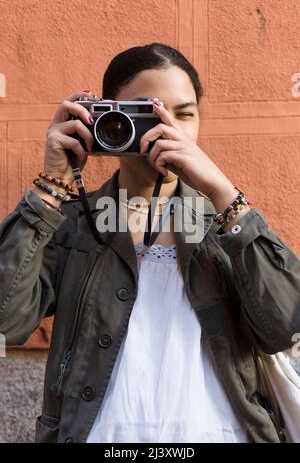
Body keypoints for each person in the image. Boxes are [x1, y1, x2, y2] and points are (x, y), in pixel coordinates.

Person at [0, 43, 299, 443]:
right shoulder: (72, 224)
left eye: (184, 114)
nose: (165, 127)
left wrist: (225, 196)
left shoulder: (226, 225)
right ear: (103, 121)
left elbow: (289, 329)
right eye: (144, 112)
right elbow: (6, 323)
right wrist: (51, 187)